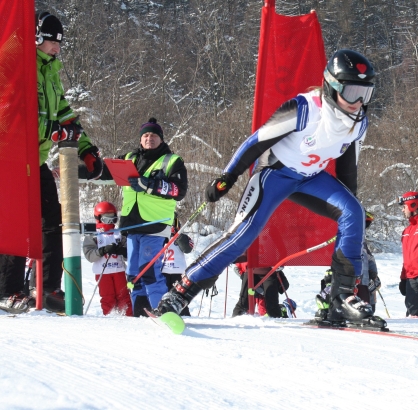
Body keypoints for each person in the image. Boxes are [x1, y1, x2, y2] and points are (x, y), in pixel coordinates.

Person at [155, 49, 381, 328]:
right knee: (241, 237)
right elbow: (256, 141)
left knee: (352, 213)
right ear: (332, 86)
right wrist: (228, 177)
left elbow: (348, 167)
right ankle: (180, 292)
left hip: (310, 178)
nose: (358, 102)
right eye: (351, 92)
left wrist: (354, 204)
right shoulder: (304, 109)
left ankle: (341, 299)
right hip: (273, 174)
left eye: (365, 93)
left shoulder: (358, 123)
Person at [0, 12, 103, 314]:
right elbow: (12, 113)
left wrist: (86, 149)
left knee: (51, 219)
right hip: (11, 157)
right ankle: (7, 289)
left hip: (36, 158)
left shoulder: (50, 71)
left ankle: (46, 287)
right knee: (15, 223)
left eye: (60, 41)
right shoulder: (16, 64)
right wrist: (53, 131)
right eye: (50, 39)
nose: (56, 46)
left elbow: (63, 112)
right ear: (34, 37)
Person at [120, 118, 188, 312]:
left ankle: (161, 309)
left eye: (154, 135)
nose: (149, 138)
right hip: (133, 224)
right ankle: (139, 309)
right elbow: (106, 171)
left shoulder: (172, 160)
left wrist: (149, 185)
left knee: (148, 269)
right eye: (146, 135)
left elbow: (179, 190)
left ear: (161, 139)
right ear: (141, 139)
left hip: (155, 224)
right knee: (134, 273)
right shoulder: (130, 157)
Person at [82, 202, 132, 316]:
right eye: (107, 219)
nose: (110, 223)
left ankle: (128, 317)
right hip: (103, 273)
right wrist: (102, 251)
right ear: (99, 218)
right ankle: (110, 318)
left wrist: (122, 250)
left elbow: (129, 253)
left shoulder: (118, 234)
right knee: (108, 297)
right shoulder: (93, 235)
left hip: (119, 270)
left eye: (113, 220)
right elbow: (89, 255)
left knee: (124, 296)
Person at [160, 216, 194, 316]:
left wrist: (178, 236)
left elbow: (188, 248)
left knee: (178, 296)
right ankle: (163, 313)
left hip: (178, 273)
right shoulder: (161, 238)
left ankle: (184, 315)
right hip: (163, 272)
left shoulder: (181, 237)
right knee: (163, 296)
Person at [356, 212, 380, 313]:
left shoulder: (362, 243)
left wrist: (374, 277)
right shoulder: (346, 240)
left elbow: (370, 259)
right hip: (351, 286)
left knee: (368, 311)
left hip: (364, 285)